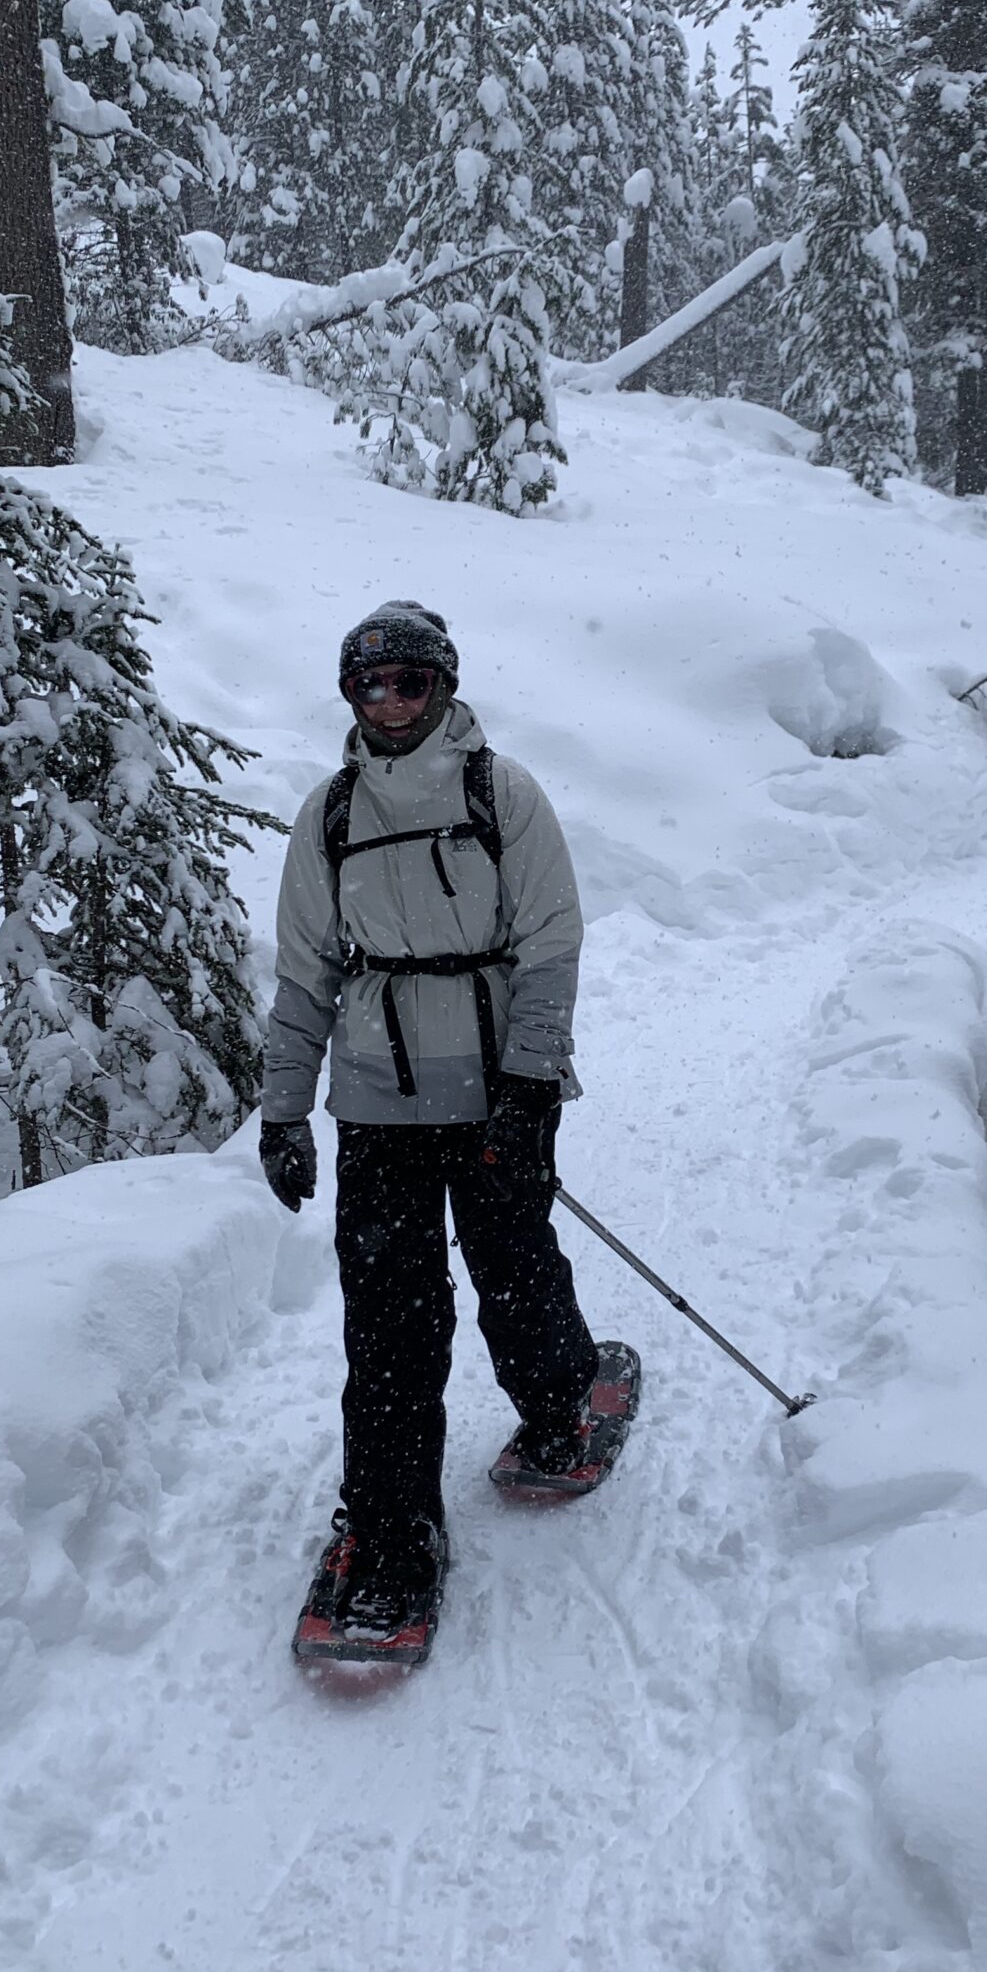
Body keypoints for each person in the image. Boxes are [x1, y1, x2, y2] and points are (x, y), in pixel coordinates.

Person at [259, 600, 605, 1639]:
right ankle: (391, 1531)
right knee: (391, 1326)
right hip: (376, 1104)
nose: (388, 701)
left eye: (408, 680)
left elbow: (550, 941)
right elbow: (303, 974)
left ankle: (559, 1407)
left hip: (496, 1086)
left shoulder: (503, 794)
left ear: (444, 684)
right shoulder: (329, 815)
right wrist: (284, 1109)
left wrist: (533, 1080)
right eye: (367, 684)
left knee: (513, 1263)